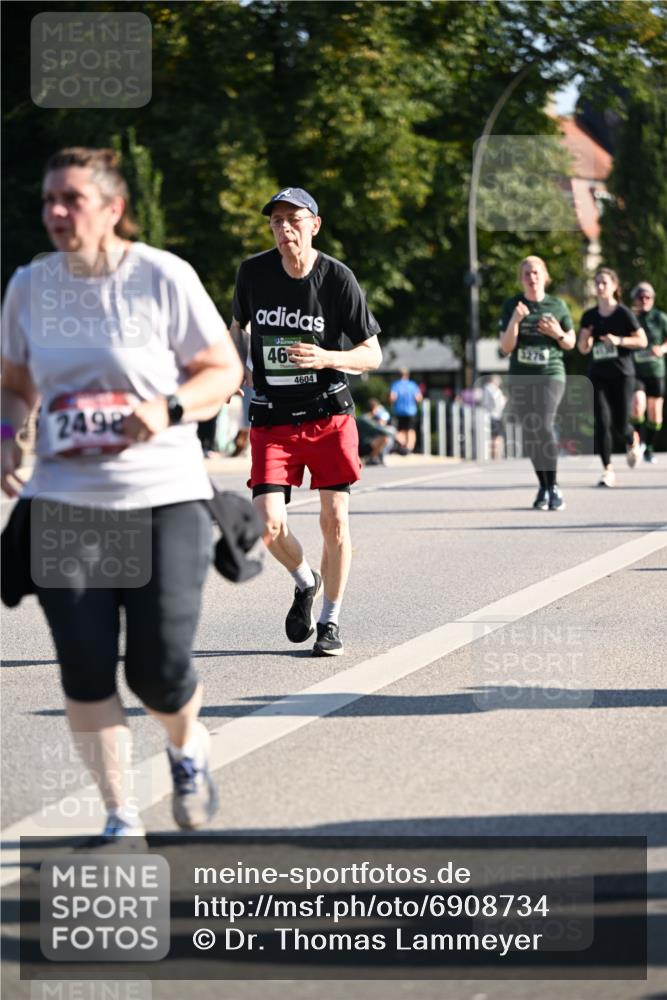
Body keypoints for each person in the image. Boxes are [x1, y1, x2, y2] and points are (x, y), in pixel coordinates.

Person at [1, 147, 243, 840]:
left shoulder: (161, 277)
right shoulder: (29, 285)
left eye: (70, 199)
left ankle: (186, 746)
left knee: (158, 670)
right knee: (84, 669)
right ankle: (119, 815)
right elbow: (15, 385)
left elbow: (220, 370)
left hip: (163, 496)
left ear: (112, 209)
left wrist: (167, 407)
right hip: (65, 503)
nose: (54, 212)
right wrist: (5, 432)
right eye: (48, 199)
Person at [230, 186, 382, 657]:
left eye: (294, 219)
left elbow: (372, 354)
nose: (284, 228)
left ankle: (331, 619)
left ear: (314, 225)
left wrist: (325, 356)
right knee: (267, 525)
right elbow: (238, 326)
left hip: (328, 414)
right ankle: (305, 580)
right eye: (276, 221)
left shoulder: (337, 279)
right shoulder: (253, 273)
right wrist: (239, 364)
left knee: (335, 521)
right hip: (273, 418)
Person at [499, 255, 576, 510]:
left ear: (544, 276)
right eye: (526, 274)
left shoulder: (557, 305)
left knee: (543, 424)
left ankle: (554, 487)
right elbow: (506, 347)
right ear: (521, 279)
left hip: (550, 373)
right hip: (521, 376)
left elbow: (570, 343)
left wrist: (557, 333)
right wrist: (515, 321)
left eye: (536, 272)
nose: (531, 278)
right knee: (530, 434)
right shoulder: (512, 305)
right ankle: (543, 486)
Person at [578, 268, 647, 487]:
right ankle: (607, 469)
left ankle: (631, 438)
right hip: (598, 375)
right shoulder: (589, 316)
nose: (599, 287)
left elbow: (642, 341)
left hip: (622, 374)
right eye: (597, 283)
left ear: (614, 286)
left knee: (620, 421)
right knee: (602, 420)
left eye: (604, 283)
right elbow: (582, 348)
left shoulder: (623, 313)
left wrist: (619, 341)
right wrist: (587, 339)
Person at [630, 282, 667, 464]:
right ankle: (637, 442)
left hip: (656, 370)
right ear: (635, 299)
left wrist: (662, 348)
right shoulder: (630, 317)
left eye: (647, 297)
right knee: (637, 405)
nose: (644, 300)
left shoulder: (660, 317)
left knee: (655, 414)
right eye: (640, 297)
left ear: (652, 299)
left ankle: (649, 447)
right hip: (636, 371)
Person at [389, 368, 422, 452]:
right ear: (407, 375)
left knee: (402, 429)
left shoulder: (396, 385)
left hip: (399, 410)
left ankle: (403, 447)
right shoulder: (412, 385)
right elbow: (418, 398)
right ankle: (410, 448)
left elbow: (392, 397)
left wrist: (392, 405)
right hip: (411, 411)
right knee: (411, 429)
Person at [481, 374, 507, 460]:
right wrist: (504, 400)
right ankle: (496, 456)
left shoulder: (485, 389)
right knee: (496, 437)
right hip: (494, 416)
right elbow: (498, 404)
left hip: (488, 416)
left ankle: (494, 455)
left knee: (493, 436)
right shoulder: (493, 389)